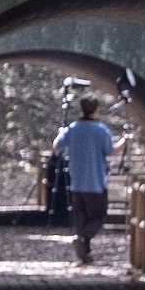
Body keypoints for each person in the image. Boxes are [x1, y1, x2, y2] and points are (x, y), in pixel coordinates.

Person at [53, 99, 115, 264]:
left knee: (80, 217)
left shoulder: (72, 129)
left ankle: (84, 254)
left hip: (77, 182)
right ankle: (83, 237)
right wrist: (125, 140)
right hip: (95, 182)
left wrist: (62, 131)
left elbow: (57, 146)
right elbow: (110, 151)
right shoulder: (101, 130)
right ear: (96, 109)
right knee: (98, 216)